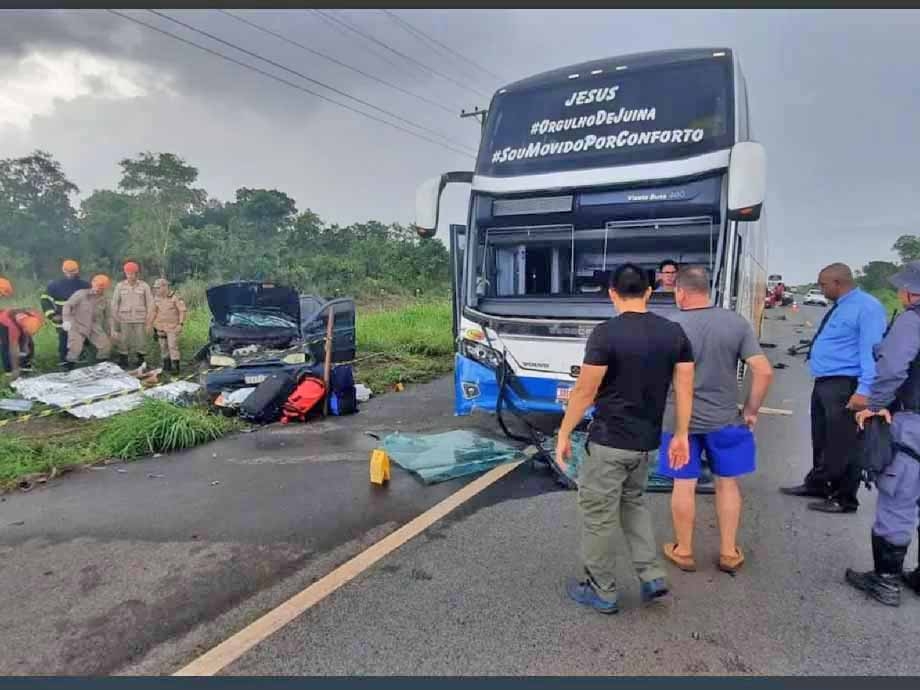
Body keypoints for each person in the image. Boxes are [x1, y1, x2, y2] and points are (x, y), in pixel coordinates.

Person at [556, 263, 695, 614]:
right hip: (645, 444)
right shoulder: (674, 333)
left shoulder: (605, 334)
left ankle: (602, 590)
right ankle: (650, 575)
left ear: (612, 294)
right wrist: (680, 435)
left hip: (608, 443)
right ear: (649, 291)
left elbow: (585, 392)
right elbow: (684, 388)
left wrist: (563, 433)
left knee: (598, 515)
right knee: (633, 504)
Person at [656, 266, 774, 574]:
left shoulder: (669, 325)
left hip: (678, 422)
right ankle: (728, 552)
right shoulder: (735, 322)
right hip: (725, 418)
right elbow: (763, 371)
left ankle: (683, 550)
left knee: (683, 483)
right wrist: (750, 410)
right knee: (727, 483)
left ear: (680, 291)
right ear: (708, 289)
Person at [780, 263, 887, 514]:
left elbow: (871, 352)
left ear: (838, 283)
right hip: (826, 382)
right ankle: (819, 483)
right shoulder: (842, 306)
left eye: (823, 284)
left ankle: (844, 497)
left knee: (845, 444)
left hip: (846, 384)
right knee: (822, 437)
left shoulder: (867, 308)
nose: (821, 288)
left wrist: (864, 390)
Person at [847, 261, 920, 606]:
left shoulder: (912, 319)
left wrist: (875, 404)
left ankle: (886, 580)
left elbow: (892, 367)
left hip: (914, 423)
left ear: (909, 292)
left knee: (900, 497)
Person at [41, 259, 90, 368]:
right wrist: (52, 315)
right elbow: (45, 300)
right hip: (63, 320)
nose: (71, 274)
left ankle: (81, 362)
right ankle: (65, 364)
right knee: (64, 340)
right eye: (69, 272)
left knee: (82, 340)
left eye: (73, 271)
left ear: (77, 271)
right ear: (63, 271)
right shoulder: (55, 285)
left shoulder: (85, 285)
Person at [62, 275, 113, 368]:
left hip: (93, 326)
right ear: (93, 284)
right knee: (75, 348)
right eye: (97, 286)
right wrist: (66, 320)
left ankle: (101, 367)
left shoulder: (105, 300)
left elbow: (108, 317)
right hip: (77, 324)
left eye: (101, 288)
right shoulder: (81, 294)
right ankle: (68, 368)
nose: (98, 289)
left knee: (105, 345)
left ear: (105, 288)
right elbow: (67, 306)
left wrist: (109, 332)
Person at [111, 261, 154, 368]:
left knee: (141, 340)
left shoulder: (144, 286)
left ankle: (140, 360)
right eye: (128, 273)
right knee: (123, 340)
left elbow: (150, 304)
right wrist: (115, 319)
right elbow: (115, 303)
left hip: (140, 318)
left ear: (137, 273)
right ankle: (123, 360)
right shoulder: (120, 286)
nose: (130, 276)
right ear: (125, 273)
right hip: (124, 318)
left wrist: (149, 322)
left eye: (132, 273)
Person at [150, 278, 187, 375]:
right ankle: (166, 365)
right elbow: (154, 312)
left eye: (158, 288)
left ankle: (176, 367)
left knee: (172, 346)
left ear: (165, 287)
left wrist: (181, 324)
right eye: (155, 288)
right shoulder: (156, 298)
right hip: (160, 327)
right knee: (163, 346)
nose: (156, 290)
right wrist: (153, 328)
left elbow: (182, 311)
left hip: (172, 327)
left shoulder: (175, 297)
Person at [0, 309, 43, 380]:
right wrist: (15, 368)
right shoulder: (13, 327)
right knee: (6, 346)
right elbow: (13, 348)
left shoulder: (35, 317)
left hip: (19, 323)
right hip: (3, 322)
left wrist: (25, 344)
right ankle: (10, 371)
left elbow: (27, 333)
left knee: (30, 345)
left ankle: (25, 366)